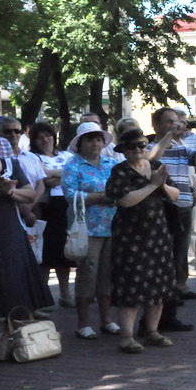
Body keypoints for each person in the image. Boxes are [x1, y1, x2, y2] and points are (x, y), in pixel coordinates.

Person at [105, 128, 180, 353]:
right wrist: (152, 186)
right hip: (131, 237)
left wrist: (162, 184)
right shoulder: (119, 171)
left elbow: (176, 194)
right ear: (124, 150)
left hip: (157, 234)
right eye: (131, 147)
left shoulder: (156, 167)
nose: (137, 150)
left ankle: (152, 331)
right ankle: (127, 336)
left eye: (141, 145)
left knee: (158, 283)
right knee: (132, 286)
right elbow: (125, 200)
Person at [0, 124, 52, 318]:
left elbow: (30, 194)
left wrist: (10, 191)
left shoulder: (11, 165)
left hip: (11, 227)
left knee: (16, 273)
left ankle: (19, 316)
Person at [147, 107, 196, 329]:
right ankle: (158, 315)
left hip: (184, 205)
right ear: (155, 125)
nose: (174, 126)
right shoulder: (149, 145)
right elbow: (151, 160)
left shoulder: (182, 146)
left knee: (177, 257)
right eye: (168, 122)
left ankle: (171, 309)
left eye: (176, 122)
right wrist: (168, 135)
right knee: (162, 261)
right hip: (162, 208)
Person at [61, 122, 121, 338]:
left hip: (112, 226)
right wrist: (102, 197)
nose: (96, 143)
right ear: (80, 143)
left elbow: (122, 188)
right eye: (90, 139)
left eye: (98, 138)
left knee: (107, 274)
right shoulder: (73, 166)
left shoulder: (111, 163)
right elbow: (70, 195)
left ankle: (107, 319)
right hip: (87, 228)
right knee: (88, 273)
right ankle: (83, 323)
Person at [29, 121, 76, 308]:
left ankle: (66, 294)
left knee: (65, 253)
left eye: (48, 135)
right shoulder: (32, 157)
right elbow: (41, 177)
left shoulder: (67, 155)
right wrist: (63, 175)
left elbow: (74, 174)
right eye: (40, 137)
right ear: (34, 141)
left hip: (68, 205)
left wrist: (55, 176)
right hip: (47, 207)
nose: (45, 139)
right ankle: (44, 297)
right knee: (46, 253)